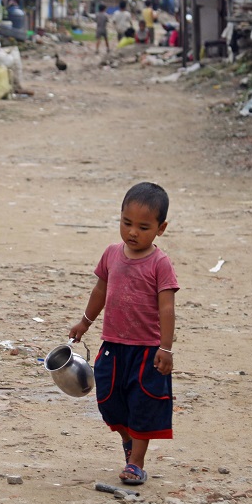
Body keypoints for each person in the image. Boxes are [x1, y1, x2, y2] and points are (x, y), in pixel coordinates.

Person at [68, 182, 178, 486]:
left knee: (143, 403)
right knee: (109, 400)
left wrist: (165, 348)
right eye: (126, 223)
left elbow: (167, 309)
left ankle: (137, 462)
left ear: (161, 228)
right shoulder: (112, 254)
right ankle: (128, 441)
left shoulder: (160, 263)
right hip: (113, 346)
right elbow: (100, 290)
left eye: (143, 227)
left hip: (147, 350)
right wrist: (84, 322)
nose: (132, 232)